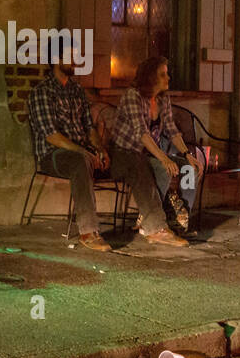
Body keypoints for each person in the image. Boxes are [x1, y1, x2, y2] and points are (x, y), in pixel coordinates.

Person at [28, 40, 187, 250]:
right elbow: (51, 136)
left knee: (134, 161)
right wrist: (84, 151)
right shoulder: (43, 91)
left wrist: (100, 150)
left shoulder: (76, 90)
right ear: (56, 59)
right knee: (80, 161)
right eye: (71, 55)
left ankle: (155, 228)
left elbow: (89, 127)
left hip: (86, 153)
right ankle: (88, 232)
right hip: (55, 155)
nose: (76, 60)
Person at [112, 56, 204, 236]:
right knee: (163, 168)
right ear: (150, 78)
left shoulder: (163, 98)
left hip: (149, 154)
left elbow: (171, 129)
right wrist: (164, 158)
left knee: (189, 169)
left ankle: (180, 218)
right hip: (127, 154)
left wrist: (187, 155)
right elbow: (142, 134)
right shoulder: (134, 95)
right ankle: (148, 217)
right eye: (163, 75)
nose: (168, 78)